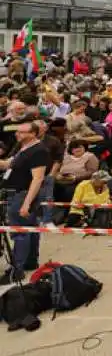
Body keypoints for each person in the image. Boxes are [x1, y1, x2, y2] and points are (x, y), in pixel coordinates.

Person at [0, 121, 51, 283]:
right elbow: (9, 164)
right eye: (18, 132)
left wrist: (26, 203)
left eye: (22, 132)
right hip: (15, 192)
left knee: (20, 232)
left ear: (33, 134)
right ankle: (30, 261)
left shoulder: (38, 151)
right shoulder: (23, 148)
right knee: (30, 229)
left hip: (22, 194)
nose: (17, 134)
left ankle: (17, 269)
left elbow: (37, 179)